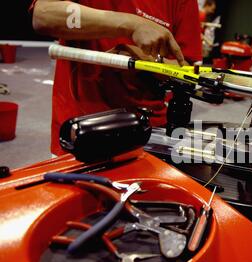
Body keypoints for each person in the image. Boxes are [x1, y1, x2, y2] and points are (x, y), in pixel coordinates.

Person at [31, 0, 202, 156]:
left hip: (148, 132)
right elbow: (43, 16)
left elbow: (188, 71)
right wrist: (131, 25)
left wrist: (147, 59)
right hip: (80, 128)